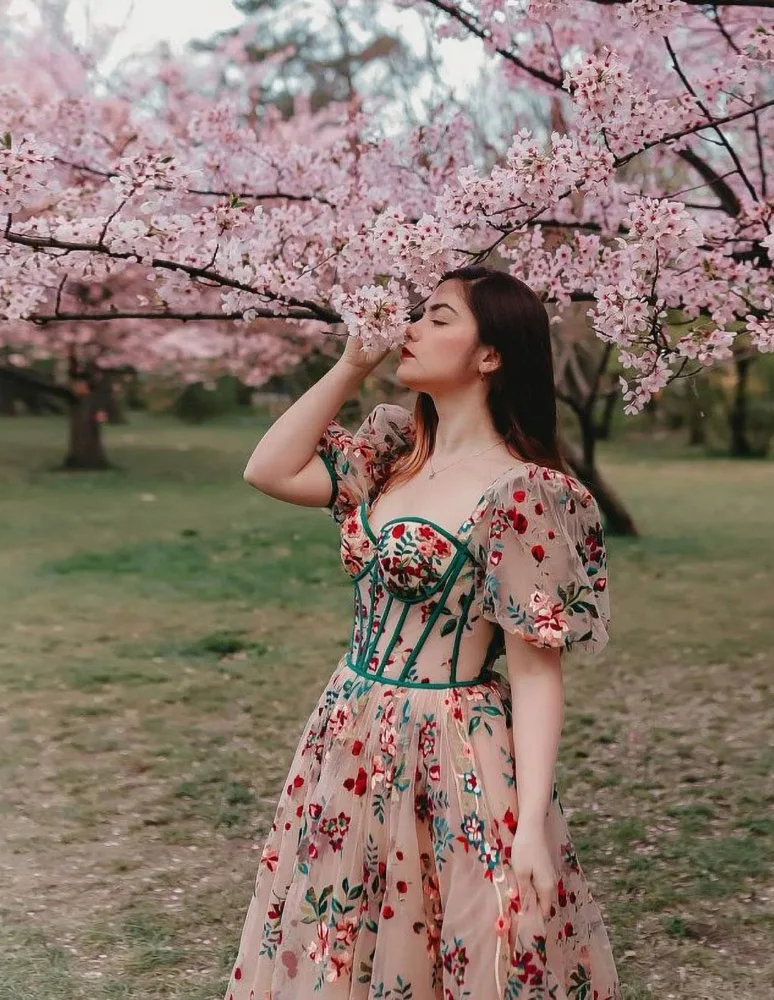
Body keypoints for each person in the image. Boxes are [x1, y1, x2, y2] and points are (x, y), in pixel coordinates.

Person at [229, 265, 620, 999]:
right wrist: (352, 363)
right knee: (340, 926)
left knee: (457, 934)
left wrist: (531, 823)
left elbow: (536, 673)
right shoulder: (392, 455)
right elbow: (268, 469)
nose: (410, 328)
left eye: (439, 319)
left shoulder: (524, 493)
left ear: (491, 355)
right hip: (346, 726)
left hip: (452, 740)